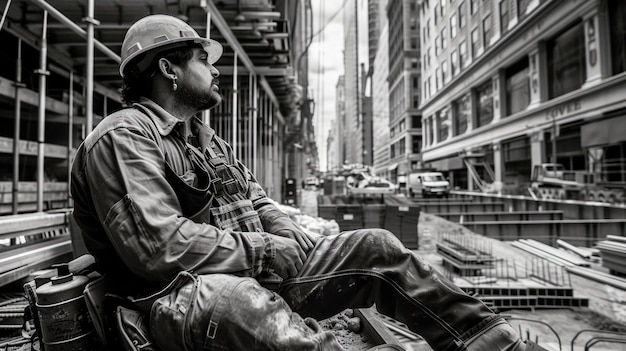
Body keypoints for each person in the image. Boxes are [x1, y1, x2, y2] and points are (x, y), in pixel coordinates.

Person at [71, 14, 544, 351]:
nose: (216, 68)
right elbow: (158, 248)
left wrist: (277, 222)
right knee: (241, 303)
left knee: (377, 246)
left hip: (248, 272)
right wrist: (266, 248)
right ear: (168, 69)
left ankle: (492, 343)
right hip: (174, 298)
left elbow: (252, 194)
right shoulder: (125, 137)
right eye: (201, 57)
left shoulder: (205, 137)